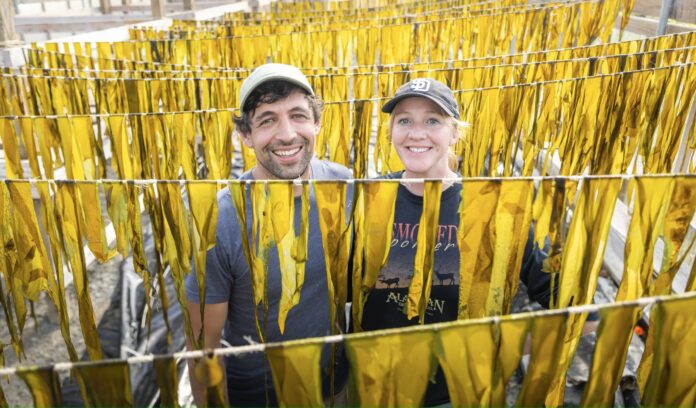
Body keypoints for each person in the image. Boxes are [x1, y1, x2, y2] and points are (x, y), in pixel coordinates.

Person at [359, 78, 553, 406]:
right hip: (374, 388)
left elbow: (580, 308)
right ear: (391, 131)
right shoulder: (368, 199)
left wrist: (502, 346)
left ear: (455, 133)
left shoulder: (493, 209)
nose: (416, 133)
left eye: (433, 121)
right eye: (404, 120)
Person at [184, 63, 352, 407]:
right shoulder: (222, 220)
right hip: (259, 395)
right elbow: (203, 348)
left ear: (317, 123)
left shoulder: (344, 187)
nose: (287, 133)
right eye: (267, 120)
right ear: (245, 136)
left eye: (298, 115)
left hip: (332, 383)